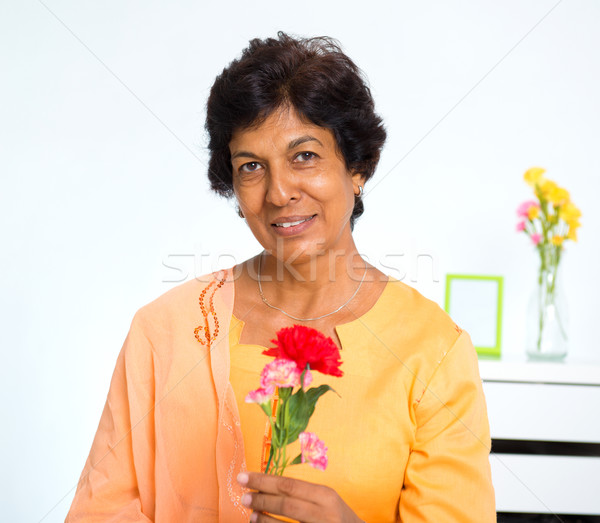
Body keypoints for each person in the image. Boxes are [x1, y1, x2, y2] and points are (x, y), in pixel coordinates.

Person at [66, 32, 496, 522]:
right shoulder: (164, 332)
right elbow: (100, 509)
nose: (279, 192)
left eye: (305, 156)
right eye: (252, 167)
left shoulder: (432, 350)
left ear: (357, 167)